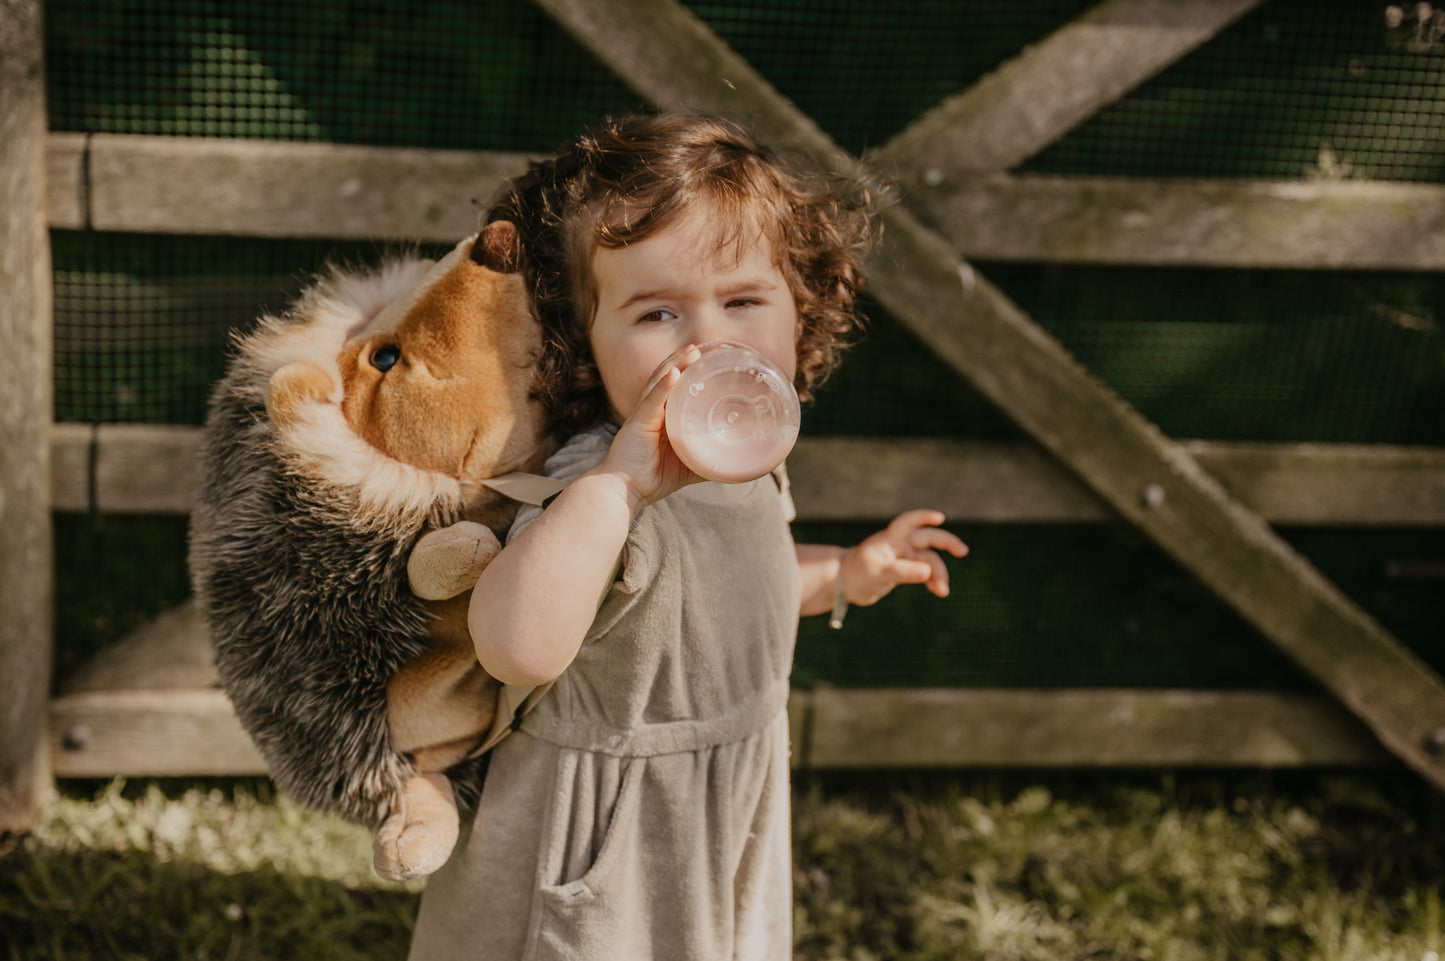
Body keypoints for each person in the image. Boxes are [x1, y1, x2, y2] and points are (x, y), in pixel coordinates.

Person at [406, 112, 967, 961]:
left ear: (798, 311)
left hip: (718, 798)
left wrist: (845, 573)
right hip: (601, 828)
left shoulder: (750, 467)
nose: (709, 340)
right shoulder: (591, 482)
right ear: (583, 347)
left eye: (743, 300)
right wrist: (619, 486)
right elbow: (516, 645)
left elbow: (747, 584)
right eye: (657, 312)